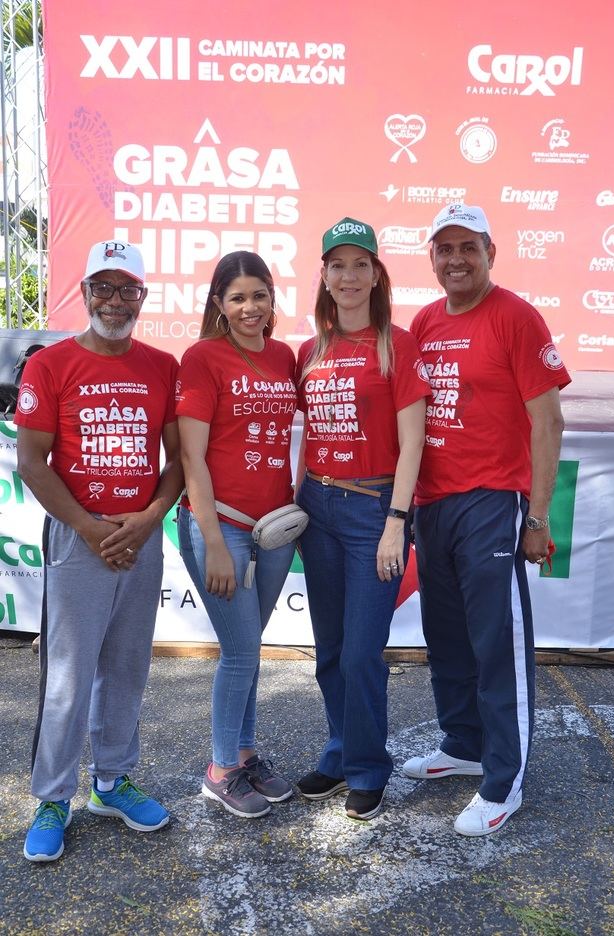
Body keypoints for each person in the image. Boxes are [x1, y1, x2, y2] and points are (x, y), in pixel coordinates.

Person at [404, 203, 571, 836]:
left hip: (492, 500)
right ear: (433, 260)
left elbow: (548, 421)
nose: (455, 260)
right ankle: (465, 744)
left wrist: (538, 514)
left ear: (490, 252)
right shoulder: (423, 321)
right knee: (446, 637)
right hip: (432, 502)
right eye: (444, 249)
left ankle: (505, 781)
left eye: (467, 247)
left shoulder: (517, 317)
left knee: (497, 644)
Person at [15, 240, 183, 862]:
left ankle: (111, 782)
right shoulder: (51, 365)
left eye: (126, 290)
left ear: (142, 296)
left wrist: (147, 521)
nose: (115, 302)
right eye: (102, 289)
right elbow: (32, 464)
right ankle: (54, 797)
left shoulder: (162, 365)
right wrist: (90, 528)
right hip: (80, 539)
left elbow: (179, 460)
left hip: (138, 537)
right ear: (84, 294)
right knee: (68, 677)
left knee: (128, 668)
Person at [295, 217, 429, 821]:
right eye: (337, 265)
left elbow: (413, 443)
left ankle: (370, 768)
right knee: (327, 650)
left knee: (360, 652)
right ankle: (342, 748)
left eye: (360, 264)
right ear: (323, 275)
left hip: (374, 509)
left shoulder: (398, 345)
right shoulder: (310, 350)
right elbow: (298, 433)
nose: (348, 276)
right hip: (316, 507)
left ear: (377, 274)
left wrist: (396, 521)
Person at [176, 251, 298, 819]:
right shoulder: (202, 359)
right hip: (218, 524)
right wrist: (214, 540)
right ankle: (220, 769)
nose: (250, 307)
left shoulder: (284, 356)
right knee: (242, 651)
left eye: (259, 295)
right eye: (238, 297)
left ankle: (244, 754)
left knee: (247, 650)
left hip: (273, 528)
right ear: (219, 305)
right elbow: (191, 456)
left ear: (273, 298)